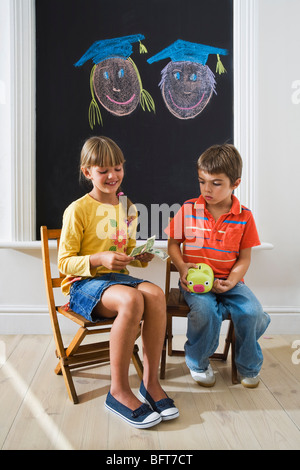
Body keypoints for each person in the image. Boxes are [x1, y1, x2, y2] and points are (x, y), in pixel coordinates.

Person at [58, 136, 178, 428]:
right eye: (103, 171)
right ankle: (118, 391)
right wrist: (98, 259)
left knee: (156, 295)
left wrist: (141, 256)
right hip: (84, 285)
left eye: (118, 168)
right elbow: (64, 263)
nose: (112, 176)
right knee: (132, 299)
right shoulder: (77, 210)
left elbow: (127, 253)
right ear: (88, 173)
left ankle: (149, 383)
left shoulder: (127, 206)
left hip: (116, 280)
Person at [165, 144, 270, 388]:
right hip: (196, 283)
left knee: (253, 313)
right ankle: (198, 361)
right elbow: (172, 245)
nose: (207, 189)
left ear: (235, 183)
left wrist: (232, 280)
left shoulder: (245, 216)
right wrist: (182, 268)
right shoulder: (189, 209)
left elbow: (244, 258)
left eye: (216, 183)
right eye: (202, 181)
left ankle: (247, 366)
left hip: (229, 282)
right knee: (205, 312)